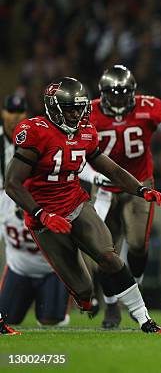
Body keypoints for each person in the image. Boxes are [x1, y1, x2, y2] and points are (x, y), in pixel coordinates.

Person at [4, 77, 161, 333]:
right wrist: (41, 214)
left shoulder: (86, 132)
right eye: (70, 108)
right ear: (54, 107)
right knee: (84, 289)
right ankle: (83, 297)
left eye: (79, 107)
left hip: (76, 205)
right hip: (44, 219)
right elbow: (13, 183)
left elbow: (111, 169)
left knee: (109, 257)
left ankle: (145, 320)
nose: (76, 113)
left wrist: (141, 190)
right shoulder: (35, 131)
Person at [87, 64, 161, 328]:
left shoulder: (148, 106)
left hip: (138, 185)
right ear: (104, 93)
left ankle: (135, 290)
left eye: (125, 93)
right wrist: (91, 176)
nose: (121, 99)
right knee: (103, 249)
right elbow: (75, 148)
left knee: (137, 244)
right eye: (115, 94)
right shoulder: (89, 112)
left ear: (133, 92)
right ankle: (111, 306)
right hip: (105, 186)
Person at [0, 94, 70, 333]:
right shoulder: (4, 198)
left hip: (51, 267)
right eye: (9, 113)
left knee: (52, 322)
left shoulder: (40, 140)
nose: (13, 119)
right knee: (8, 321)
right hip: (19, 265)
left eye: (18, 114)